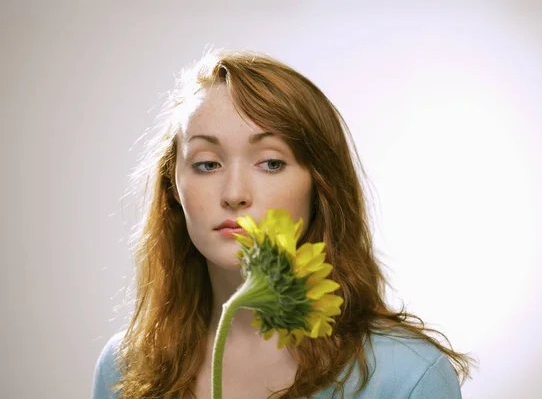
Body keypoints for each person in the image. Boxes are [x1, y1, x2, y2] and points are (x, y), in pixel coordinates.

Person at [91, 49, 474, 399]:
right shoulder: (123, 367)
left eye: (271, 162)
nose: (235, 193)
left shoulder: (407, 376)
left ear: (320, 186)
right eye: (208, 164)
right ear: (172, 187)